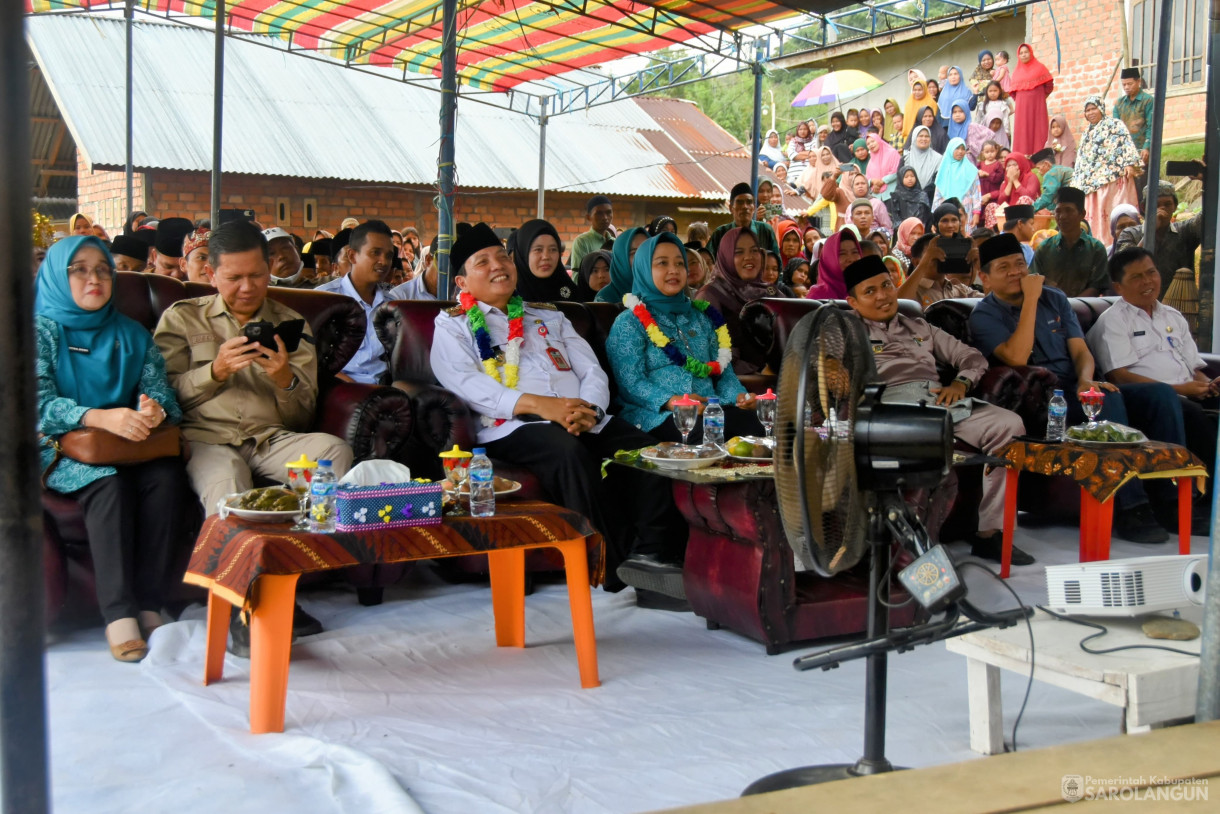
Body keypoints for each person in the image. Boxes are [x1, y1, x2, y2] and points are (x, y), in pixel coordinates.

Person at [430, 223, 690, 605]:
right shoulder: (452, 325)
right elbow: (466, 383)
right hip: (515, 426)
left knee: (649, 451)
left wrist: (591, 409)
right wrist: (541, 406)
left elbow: (591, 370)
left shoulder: (550, 317)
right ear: (462, 281)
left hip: (583, 416)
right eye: (483, 262)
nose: (498, 265)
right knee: (568, 452)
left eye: (502, 256)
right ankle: (611, 567)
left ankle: (651, 557)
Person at [36, 235, 189, 662]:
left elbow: (166, 398)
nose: (94, 278)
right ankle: (118, 615)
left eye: (103, 269)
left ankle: (149, 603)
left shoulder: (131, 333)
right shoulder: (38, 330)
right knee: (109, 485)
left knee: (166, 476)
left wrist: (155, 411)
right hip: (59, 448)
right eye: (79, 269)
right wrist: (97, 417)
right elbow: (36, 405)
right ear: (56, 276)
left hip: (128, 444)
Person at [968, 233, 1177, 543]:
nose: (1015, 272)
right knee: (1107, 405)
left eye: (1018, 264)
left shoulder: (1055, 299)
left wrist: (1085, 380)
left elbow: (1080, 351)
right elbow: (1016, 357)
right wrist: (1030, 301)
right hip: (1039, 400)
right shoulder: (984, 314)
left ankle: (1168, 500)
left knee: (1161, 395)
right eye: (1004, 268)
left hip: (1074, 386)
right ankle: (1131, 507)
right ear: (985, 278)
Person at [154, 219, 354, 516]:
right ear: (211, 274)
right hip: (206, 440)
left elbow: (301, 420)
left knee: (334, 451)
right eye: (234, 278)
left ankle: (311, 549)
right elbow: (163, 399)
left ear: (268, 270)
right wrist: (215, 371)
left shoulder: (291, 325)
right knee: (228, 479)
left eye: (257, 275)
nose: (247, 288)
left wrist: (285, 380)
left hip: (269, 439)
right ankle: (233, 561)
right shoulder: (183, 319)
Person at [843, 254, 1031, 564]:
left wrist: (960, 384)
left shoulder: (920, 326)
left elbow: (972, 358)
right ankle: (913, 551)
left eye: (887, 286)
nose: (883, 296)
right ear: (852, 301)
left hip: (941, 401)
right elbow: (826, 369)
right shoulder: (846, 332)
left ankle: (991, 534)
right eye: (870, 291)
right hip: (893, 408)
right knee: (926, 441)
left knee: (1009, 425)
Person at [1087, 247, 1215, 529]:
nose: (1147, 282)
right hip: (1143, 399)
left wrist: (1208, 384)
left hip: (1185, 393)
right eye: (1137, 277)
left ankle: (1210, 501)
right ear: (1118, 286)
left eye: (1151, 273)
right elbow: (1119, 376)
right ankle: (1177, 504)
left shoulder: (1172, 315)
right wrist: (1182, 388)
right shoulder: (1114, 321)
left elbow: (1194, 365)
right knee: (1187, 409)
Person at [608, 231, 762, 441]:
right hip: (658, 414)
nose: (674, 270)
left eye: (680, 263)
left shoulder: (703, 318)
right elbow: (630, 382)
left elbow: (723, 374)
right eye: (662, 263)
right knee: (704, 433)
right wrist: (672, 401)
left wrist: (740, 397)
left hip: (708, 409)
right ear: (644, 269)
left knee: (757, 425)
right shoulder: (629, 322)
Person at [316, 219, 395, 384]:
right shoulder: (325, 299)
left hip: (386, 391)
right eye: (375, 253)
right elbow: (311, 359)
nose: (384, 261)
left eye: (389, 255)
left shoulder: (392, 304)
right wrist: (351, 386)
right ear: (352, 256)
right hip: (340, 388)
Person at [699, 226, 778, 374]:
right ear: (726, 257)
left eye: (754, 250)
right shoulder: (710, 295)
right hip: (736, 387)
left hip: (779, 382)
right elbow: (707, 353)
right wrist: (758, 373)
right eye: (738, 252)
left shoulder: (770, 292)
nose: (749, 257)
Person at [1074, 96, 1143, 246]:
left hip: (1113, 179)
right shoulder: (1086, 133)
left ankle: (1122, 241)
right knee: (1096, 215)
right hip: (1092, 184)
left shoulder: (1115, 125)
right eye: (1088, 110)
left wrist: (1129, 164)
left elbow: (1125, 143)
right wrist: (1078, 183)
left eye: (1094, 108)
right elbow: (1082, 160)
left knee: (1113, 210)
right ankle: (1099, 244)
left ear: (1101, 109)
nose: (1091, 113)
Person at [1115, 182, 1203, 297]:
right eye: (1156, 205)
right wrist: (1151, 230)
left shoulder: (1185, 231)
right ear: (1144, 208)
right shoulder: (1130, 234)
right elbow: (1125, 264)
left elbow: (1209, 214)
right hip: (1140, 303)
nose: (1162, 209)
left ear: (1175, 207)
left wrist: (1205, 181)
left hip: (1180, 306)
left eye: (1167, 204)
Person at [1031, 187, 1109, 297]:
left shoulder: (1096, 248)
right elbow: (1034, 281)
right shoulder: (1044, 248)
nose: (1062, 216)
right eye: (1058, 211)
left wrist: (1072, 306)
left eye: (1068, 210)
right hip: (1052, 309)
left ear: (1082, 214)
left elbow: (1097, 286)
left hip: (1085, 310)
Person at [897, 225, 983, 307]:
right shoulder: (914, 290)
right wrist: (925, 262)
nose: (940, 256)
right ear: (916, 262)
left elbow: (992, 300)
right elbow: (899, 304)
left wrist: (979, 265)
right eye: (933, 253)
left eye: (943, 252)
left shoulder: (959, 289)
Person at [510, 219, 579, 303]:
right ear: (523, 254)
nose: (546, 257)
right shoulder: (508, 297)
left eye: (553, 249)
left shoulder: (572, 293)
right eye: (538, 250)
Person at [706, 182, 779, 258]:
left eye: (749, 202)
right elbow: (707, 264)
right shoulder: (720, 234)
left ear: (754, 207)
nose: (745, 206)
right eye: (740, 202)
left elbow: (776, 265)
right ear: (731, 208)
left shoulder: (765, 231)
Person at [1008, 44, 1053, 155]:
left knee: (1039, 129)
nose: (1024, 55)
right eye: (1021, 53)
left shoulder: (1040, 68)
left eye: (1026, 52)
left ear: (1031, 53)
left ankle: (1041, 158)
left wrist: (1040, 96)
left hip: (1038, 106)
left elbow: (1049, 85)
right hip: (1022, 108)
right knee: (1023, 131)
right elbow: (1013, 93)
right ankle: (1022, 159)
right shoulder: (1016, 72)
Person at [932, 138, 981, 232]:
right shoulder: (943, 170)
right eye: (957, 148)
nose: (960, 152)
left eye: (963, 149)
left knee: (965, 240)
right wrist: (935, 216)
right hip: (945, 212)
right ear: (950, 149)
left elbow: (976, 192)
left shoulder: (971, 170)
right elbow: (937, 196)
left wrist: (976, 213)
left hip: (966, 211)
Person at [1112, 68, 1154, 171]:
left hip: (1143, 152)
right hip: (1125, 152)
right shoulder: (1119, 104)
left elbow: (1151, 126)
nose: (1126, 87)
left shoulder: (1148, 101)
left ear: (1138, 81)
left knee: (1144, 184)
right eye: (1124, 85)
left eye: (1129, 84)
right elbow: (1115, 128)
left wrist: (1146, 147)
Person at [804, 226, 860, 301]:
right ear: (830, 259)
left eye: (855, 252)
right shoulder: (818, 295)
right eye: (842, 254)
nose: (851, 259)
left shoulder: (867, 289)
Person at [595, 226, 647, 304]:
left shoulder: (662, 292)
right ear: (621, 259)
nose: (642, 256)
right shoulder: (605, 298)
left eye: (646, 250)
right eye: (634, 253)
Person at [569, 195, 614, 269]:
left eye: (608, 212)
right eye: (599, 213)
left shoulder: (616, 243)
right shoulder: (582, 242)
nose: (605, 217)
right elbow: (578, 277)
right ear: (588, 217)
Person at [389, 235, 439, 300]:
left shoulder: (455, 295)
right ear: (428, 260)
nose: (452, 277)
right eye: (444, 267)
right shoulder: (400, 296)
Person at [904, 124, 943, 202]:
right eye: (920, 136)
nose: (924, 139)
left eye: (927, 136)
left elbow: (938, 180)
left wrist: (923, 193)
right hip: (909, 199)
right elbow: (901, 180)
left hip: (930, 199)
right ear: (914, 138)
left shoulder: (938, 158)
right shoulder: (906, 158)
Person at [1030, 147, 1073, 213]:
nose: (1039, 172)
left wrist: (1029, 210)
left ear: (1046, 164)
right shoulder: (1060, 169)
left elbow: (1048, 197)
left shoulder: (1051, 173)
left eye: (1038, 168)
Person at [863, 131, 902, 199]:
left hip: (892, 195)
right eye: (868, 144)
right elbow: (867, 178)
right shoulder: (871, 161)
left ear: (878, 140)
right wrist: (872, 182)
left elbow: (897, 171)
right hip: (877, 196)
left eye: (873, 141)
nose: (871, 145)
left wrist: (883, 181)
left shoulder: (892, 153)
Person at [938, 67, 977, 132]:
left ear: (960, 76)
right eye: (950, 75)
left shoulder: (966, 91)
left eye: (956, 74)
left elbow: (971, 107)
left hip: (963, 126)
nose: (953, 77)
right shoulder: (943, 93)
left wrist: (975, 93)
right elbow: (940, 112)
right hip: (946, 126)